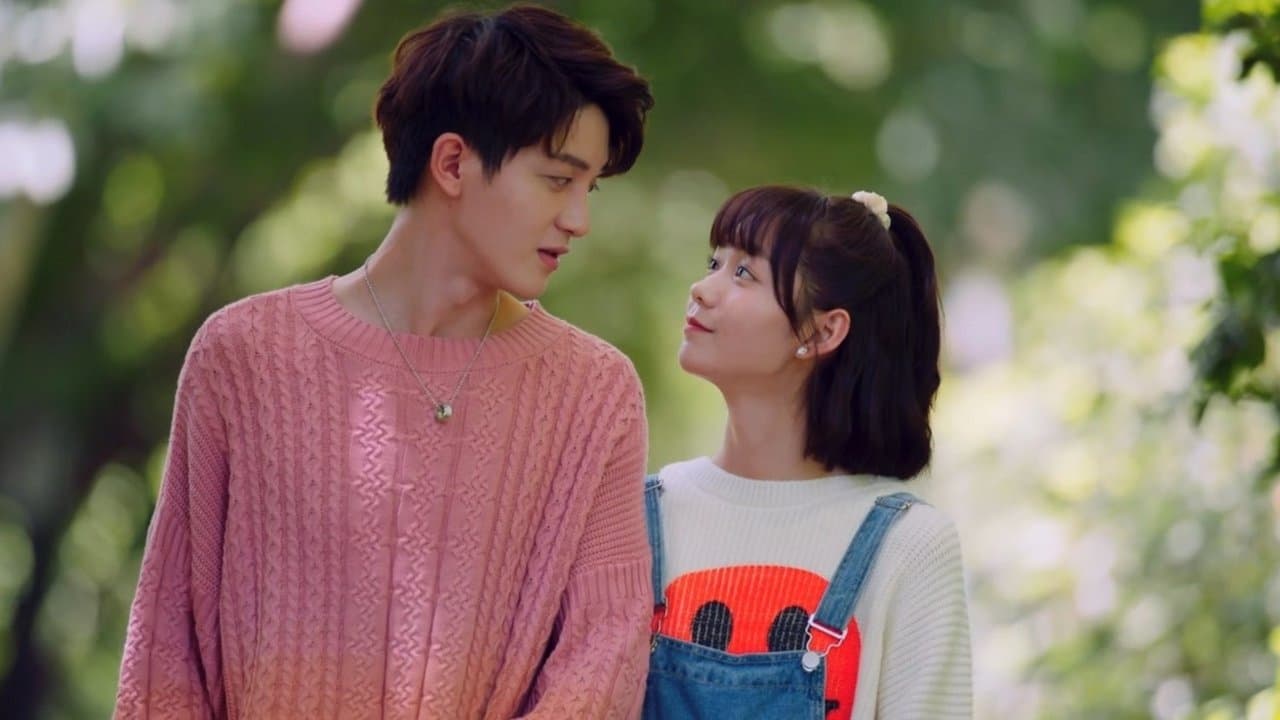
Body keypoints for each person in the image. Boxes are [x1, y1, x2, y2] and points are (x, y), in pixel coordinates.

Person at [115, 5, 655, 717]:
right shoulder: (243, 355)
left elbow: (602, 662)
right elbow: (166, 654)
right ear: (453, 163)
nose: (579, 219)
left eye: (591, 189)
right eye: (558, 180)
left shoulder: (594, 394)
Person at [643, 186, 972, 719]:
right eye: (713, 263)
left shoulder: (908, 546)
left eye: (743, 273)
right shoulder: (639, 516)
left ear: (822, 330)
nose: (702, 289)